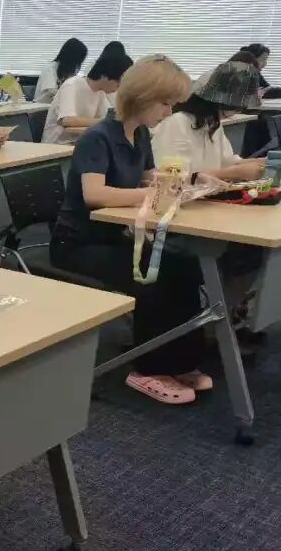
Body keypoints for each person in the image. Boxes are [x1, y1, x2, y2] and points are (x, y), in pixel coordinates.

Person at [50, 54, 209, 405]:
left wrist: (181, 184)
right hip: (77, 244)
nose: (169, 112)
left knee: (184, 265)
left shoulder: (139, 135)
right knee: (153, 281)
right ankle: (149, 369)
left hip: (115, 238)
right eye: (165, 103)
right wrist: (152, 193)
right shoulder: (97, 137)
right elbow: (94, 194)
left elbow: (149, 177)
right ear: (142, 97)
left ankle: (180, 361)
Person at [151, 61, 264, 181]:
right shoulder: (177, 123)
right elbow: (173, 177)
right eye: (237, 107)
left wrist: (263, 162)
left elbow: (228, 161)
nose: (237, 112)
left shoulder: (212, 123)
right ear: (220, 103)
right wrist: (233, 173)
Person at [41, 51, 133, 144]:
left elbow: (108, 117)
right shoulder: (72, 85)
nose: (118, 89)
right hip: (58, 144)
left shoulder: (100, 92)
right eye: (118, 83)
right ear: (104, 76)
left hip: (79, 142)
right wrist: (105, 121)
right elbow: (67, 120)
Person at [34, 38, 89, 103]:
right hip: (41, 107)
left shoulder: (69, 71)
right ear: (70, 58)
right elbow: (51, 92)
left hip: (60, 106)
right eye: (77, 61)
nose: (77, 65)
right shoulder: (49, 69)